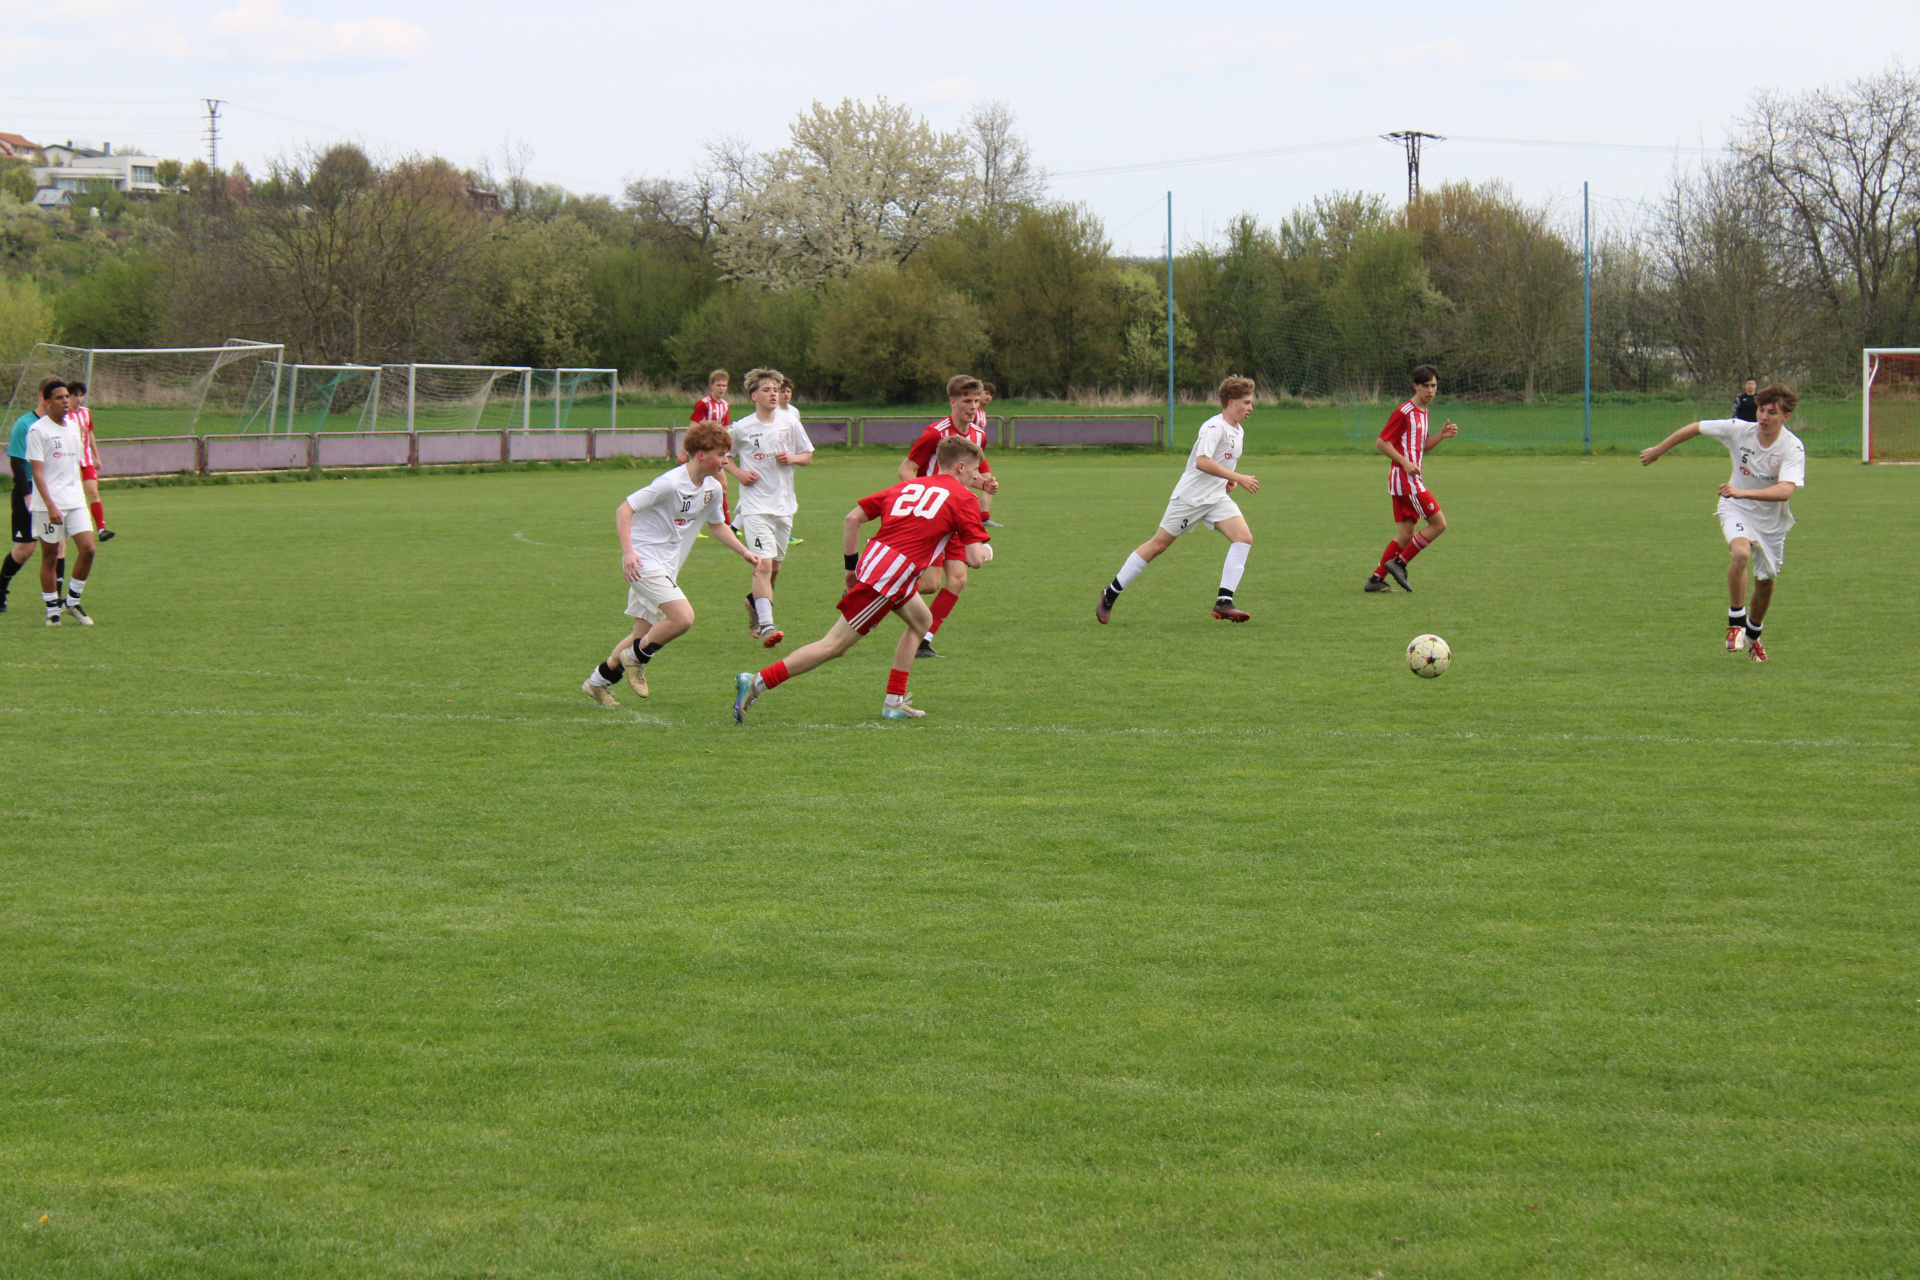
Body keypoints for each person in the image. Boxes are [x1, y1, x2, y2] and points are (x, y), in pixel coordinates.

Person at [734, 434, 991, 724]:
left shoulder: (909, 485)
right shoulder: (964, 497)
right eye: (974, 470)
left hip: (881, 563)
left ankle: (894, 702)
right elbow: (974, 559)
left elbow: (852, 518)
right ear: (960, 467)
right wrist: (988, 551)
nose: (975, 477)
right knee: (834, 646)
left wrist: (851, 566)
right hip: (891, 575)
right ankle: (756, 681)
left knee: (922, 622)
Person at [581, 422, 760, 706]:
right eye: (720, 454)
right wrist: (628, 553)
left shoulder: (712, 488)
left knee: (641, 634)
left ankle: (597, 682)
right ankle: (636, 658)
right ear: (701, 454)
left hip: (667, 566)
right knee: (683, 618)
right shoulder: (670, 483)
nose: (726, 461)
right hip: (642, 563)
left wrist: (745, 552)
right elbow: (624, 509)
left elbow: (717, 525)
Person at [1639, 383, 1805, 663]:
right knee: (1740, 553)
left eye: (1772, 412)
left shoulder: (1792, 447)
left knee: (1766, 583)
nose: (1764, 417)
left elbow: (1785, 491)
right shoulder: (1739, 430)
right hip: (1735, 507)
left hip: (1770, 522)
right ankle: (1735, 623)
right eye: (1761, 410)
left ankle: (1753, 634)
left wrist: (1742, 491)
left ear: (1786, 416)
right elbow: (1696, 427)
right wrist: (1658, 450)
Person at [1096, 375, 1260, 624]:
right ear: (1231, 401)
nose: (1250, 407)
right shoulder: (1213, 427)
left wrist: (1228, 480)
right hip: (1190, 499)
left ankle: (1224, 601)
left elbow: (1219, 462)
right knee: (1158, 545)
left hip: (1216, 499)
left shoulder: (1238, 431)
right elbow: (1202, 462)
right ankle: (1111, 592)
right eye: (1246, 402)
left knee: (1243, 537)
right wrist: (1238, 476)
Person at [899, 374, 1000, 658]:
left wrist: (985, 484)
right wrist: (924, 496)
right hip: (933, 517)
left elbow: (972, 472)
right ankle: (873, 586)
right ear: (952, 402)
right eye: (966, 401)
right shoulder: (935, 433)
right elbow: (906, 469)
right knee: (930, 585)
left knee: (957, 579)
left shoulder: (979, 434)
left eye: (976, 401)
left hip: (958, 516)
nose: (973, 406)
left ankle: (924, 641)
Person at [726, 367, 813, 648]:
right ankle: (767, 625)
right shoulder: (741, 428)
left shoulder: (790, 422)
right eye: (767, 390)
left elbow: (807, 455)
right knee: (762, 564)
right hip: (754, 507)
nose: (773, 394)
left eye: (775, 389)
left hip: (784, 506)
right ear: (754, 396)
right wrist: (739, 473)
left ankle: (755, 603)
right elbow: (723, 455)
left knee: (775, 568)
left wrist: (793, 458)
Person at [1363, 364, 1458, 593]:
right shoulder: (1405, 411)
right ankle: (1400, 563)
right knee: (1439, 524)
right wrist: (1404, 462)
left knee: (1406, 534)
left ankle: (1376, 580)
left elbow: (1420, 447)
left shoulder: (1424, 413)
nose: (1430, 390)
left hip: (1405, 480)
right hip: (1407, 480)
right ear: (1415, 386)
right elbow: (1382, 442)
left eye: (1434, 386)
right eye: (1425, 386)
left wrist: (1440, 436)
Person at [24, 378, 96, 625]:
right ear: (47, 401)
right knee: (50, 556)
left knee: (89, 549)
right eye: (59, 397)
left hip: (75, 501)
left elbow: (73, 465)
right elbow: (37, 472)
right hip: (49, 505)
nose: (66, 401)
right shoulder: (38, 430)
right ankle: (51, 610)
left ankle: (72, 601)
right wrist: (50, 505)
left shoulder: (74, 427)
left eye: (67, 396)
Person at [2, 384, 53, 614]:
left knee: (58, 544)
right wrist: (27, 494)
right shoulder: (24, 424)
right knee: (25, 549)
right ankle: (1, 588)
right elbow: (16, 462)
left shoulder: (61, 425)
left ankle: (56, 601)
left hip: (53, 489)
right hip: (30, 488)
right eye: (52, 396)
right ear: (41, 396)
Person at [68, 380, 113, 540]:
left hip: (86, 460)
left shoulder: (86, 412)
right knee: (72, 496)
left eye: (81, 395)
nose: (78, 399)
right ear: (68, 396)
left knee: (93, 492)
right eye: (75, 395)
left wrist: (96, 456)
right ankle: (70, 530)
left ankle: (101, 529)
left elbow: (90, 434)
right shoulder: (63, 415)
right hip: (69, 462)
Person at [776, 377, 805, 544]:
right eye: (782, 391)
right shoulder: (773, 411)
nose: (786, 394)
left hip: (789, 460)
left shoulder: (794, 412)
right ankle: (785, 534)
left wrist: (795, 456)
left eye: (788, 391)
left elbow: (797, 435)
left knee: (785, 493)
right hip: (774, 458)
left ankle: (734, 527)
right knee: (780, 495)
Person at [977, 381, 1003, 527]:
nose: (989, 397)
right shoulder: (972, 412)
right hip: (967, 455)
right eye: (986, 393)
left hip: (978, 454)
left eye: (991, 395)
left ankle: (984, 518)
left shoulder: (982, 413)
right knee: (959, 484)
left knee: (989, 482)